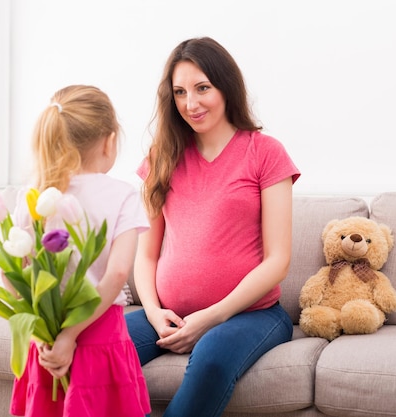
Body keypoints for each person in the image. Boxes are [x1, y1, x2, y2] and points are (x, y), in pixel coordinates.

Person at [125, 37, 301, 417]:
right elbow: (146, 254)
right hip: (168, 314)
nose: (191, 103)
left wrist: (213, 315)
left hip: (252, 315)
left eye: (202, 87)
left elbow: (278, 260)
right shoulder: (162, 157)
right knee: (99, 348)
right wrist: (154, 312)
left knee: (210, 361)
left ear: (226, 87)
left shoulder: (265, 153)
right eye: (180, 92)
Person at [8, 85, 151, 417]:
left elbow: (12, 275)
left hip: (45, 336)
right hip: (101, 333)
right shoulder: (122, 195)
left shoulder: (33, 195)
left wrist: (46, 336)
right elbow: (117, 274)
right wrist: (71, 336)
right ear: (109, 140)